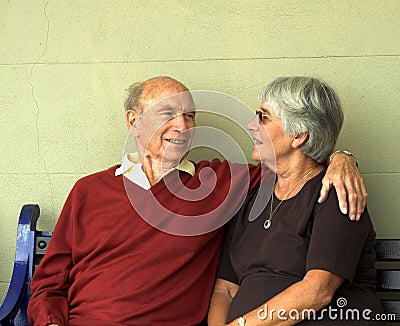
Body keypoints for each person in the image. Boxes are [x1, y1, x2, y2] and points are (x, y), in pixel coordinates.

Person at [28, 76, 366, 326]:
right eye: (167, 114)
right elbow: (49, 281)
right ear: (134, 122)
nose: (183, 126)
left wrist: (341, 157)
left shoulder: (219, 182)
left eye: (190, 116)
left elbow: (296, 165)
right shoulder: (89, 191)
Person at [208, 76, 383, 325]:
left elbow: (317, 292)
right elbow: (224, 289)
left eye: (264, 116)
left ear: (299, 135)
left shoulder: (336, 193)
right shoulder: (252, 200)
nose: (251, 124)